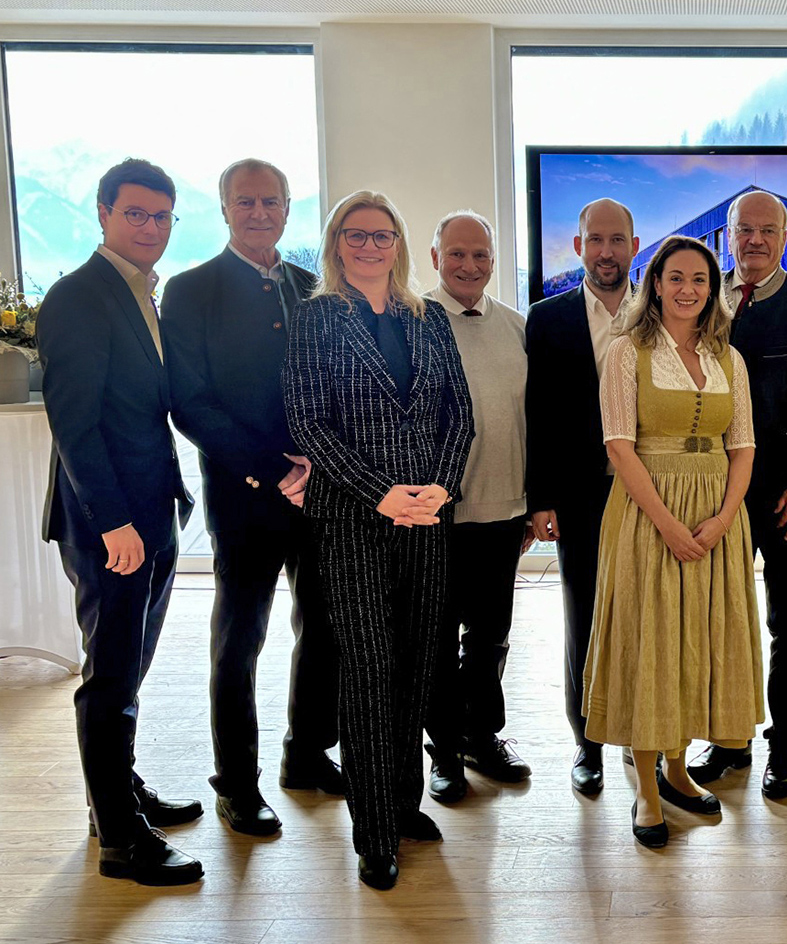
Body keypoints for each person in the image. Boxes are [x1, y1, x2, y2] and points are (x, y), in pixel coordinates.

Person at [282, 191, 474, 889]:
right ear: (336, 244)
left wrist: (442, 487)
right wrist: (381, 492)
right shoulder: (316, 318)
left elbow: (459, 411)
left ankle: (403, 802)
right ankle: (372, 832)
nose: (369, 247)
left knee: (421, 663)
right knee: (368, 672)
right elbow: (308, 422)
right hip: (355, 521)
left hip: (427, 518)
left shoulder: (426, 318)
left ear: (399, 243)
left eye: (382, 235)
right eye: (356, 236)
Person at [163, 158, 345, 840]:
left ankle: (306, 755)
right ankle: (237, 784)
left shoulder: (311, 288)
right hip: (243, 497)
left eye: (272, 201)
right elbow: (191, 404)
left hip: (319, 493)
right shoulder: (191, 290)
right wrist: (274, 468)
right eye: (247, 201)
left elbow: (335, 387)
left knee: (323, 627)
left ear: (289, 208)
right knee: (239, 640)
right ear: (225, 208)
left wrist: (323, 464)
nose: (260, 211)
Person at [38, 158, 203, 885]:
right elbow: (73, 423)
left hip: (149, 512)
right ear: (102, 214)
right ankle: (120, 843)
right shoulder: (79, 296)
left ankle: (117, 796)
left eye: (162, 216)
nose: (150, 228)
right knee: (108, 678)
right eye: (135, 213)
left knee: (129, 671)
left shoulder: (138, 292)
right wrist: (112, 525)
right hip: (112, 524)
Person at [585, 235, 763, 847]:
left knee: (696, 641)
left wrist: (722, 519)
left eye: (700, 280)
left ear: (713, 289)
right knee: (651, 638)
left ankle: (679, 770)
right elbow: (618, 445)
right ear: (654, 283)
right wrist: (667, 523)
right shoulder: (625, 352)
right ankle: (645, 788)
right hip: (647, 512)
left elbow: (743, 445)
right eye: (676, 277)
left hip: (717, 512)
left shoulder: (728, 358)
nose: (688, 289)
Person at [686, 190, 787, 799]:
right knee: (719, 622)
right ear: (727, 235)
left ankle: (784, 745)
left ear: (785, 237)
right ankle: (729, 742)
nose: (754, 241)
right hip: (709, 491)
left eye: (767, 231)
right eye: (743, 230)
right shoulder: (698, 300)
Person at [526, 197, 638, 796]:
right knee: (585, 617)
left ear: (634, 246)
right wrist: (540, 497)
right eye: (595, 239)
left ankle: (644, 734)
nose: (606, 251)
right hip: (579, 494)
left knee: (650, 616)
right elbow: (537, 413)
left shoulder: (662, 311)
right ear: (577, 247)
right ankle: (588, 741)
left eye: (617, 240)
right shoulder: (546, 319)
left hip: (653, 493)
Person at [422, 210, 531, 802]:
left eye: (481, 255)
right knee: (438, 637)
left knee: (490, 633)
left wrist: (532, 501)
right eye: (457, 254)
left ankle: (482, 737)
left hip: (504, 509)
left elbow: (532, 419)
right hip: (436, 517)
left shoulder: (516, 328)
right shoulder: (411, 322)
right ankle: (442, 752)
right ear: (435, 257)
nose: (470, 265)